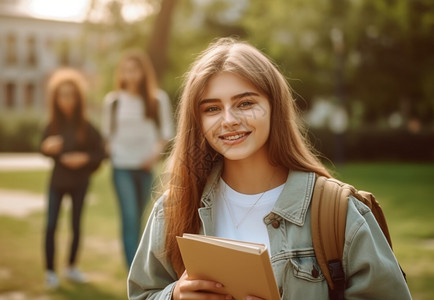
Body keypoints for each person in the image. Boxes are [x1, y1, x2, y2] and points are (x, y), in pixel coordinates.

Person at [127, 38, 412, 299]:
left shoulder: (339, 212)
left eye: (245, 103)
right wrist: (174, 295)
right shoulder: (175, 207)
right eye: (212, 108)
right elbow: (142, 293)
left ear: (274, 106)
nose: (228, 120)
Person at [101, 49, 174, 269]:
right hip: (121, 167)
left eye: (135, 70)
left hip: (146, 166)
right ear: (121, 73)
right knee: (130, 216)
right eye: (126, 70)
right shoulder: (113, 101)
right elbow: (106, 135)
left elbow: (166, 133)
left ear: (144, 72)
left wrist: (153, 156)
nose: (131, 74)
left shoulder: (157, 99)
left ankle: (142, 264)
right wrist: (113, 151)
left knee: (143, 218)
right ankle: (133, 269)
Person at [40, 68, 105, 289]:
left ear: (78, 97)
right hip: (57, 182)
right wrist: (46, 148)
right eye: (61, 95)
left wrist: (84, 158)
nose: (66, 99)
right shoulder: (52, 125)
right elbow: (42, 148)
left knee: (76, 225)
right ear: (55, 98)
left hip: (79, 183)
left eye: (70, 94)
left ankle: (71, 267)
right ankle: (50, 272)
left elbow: (101, 153)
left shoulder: (86, 127)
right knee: (50, 225)